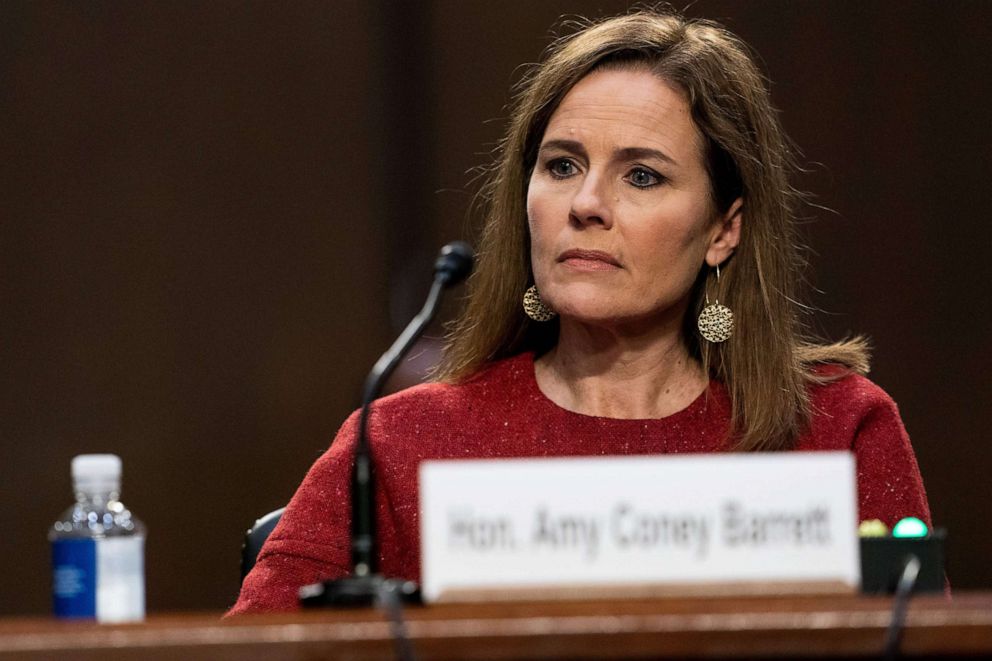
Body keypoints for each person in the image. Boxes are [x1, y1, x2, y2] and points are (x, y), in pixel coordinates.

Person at [230, 8, 930, 614]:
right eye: (562, 165)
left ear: (724, 229)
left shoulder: (836, 431)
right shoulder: (402, 444)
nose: (586, 203)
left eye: (643, 175)